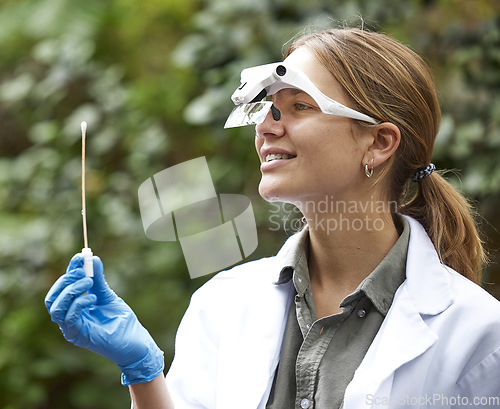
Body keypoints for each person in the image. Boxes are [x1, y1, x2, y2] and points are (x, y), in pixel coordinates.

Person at [45, 27, 500, 409]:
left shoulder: (480, 335)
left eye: (300, 106)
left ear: (379, 143)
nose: (266, 127)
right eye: (269, 107)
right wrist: (143, 372)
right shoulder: (221, 305)